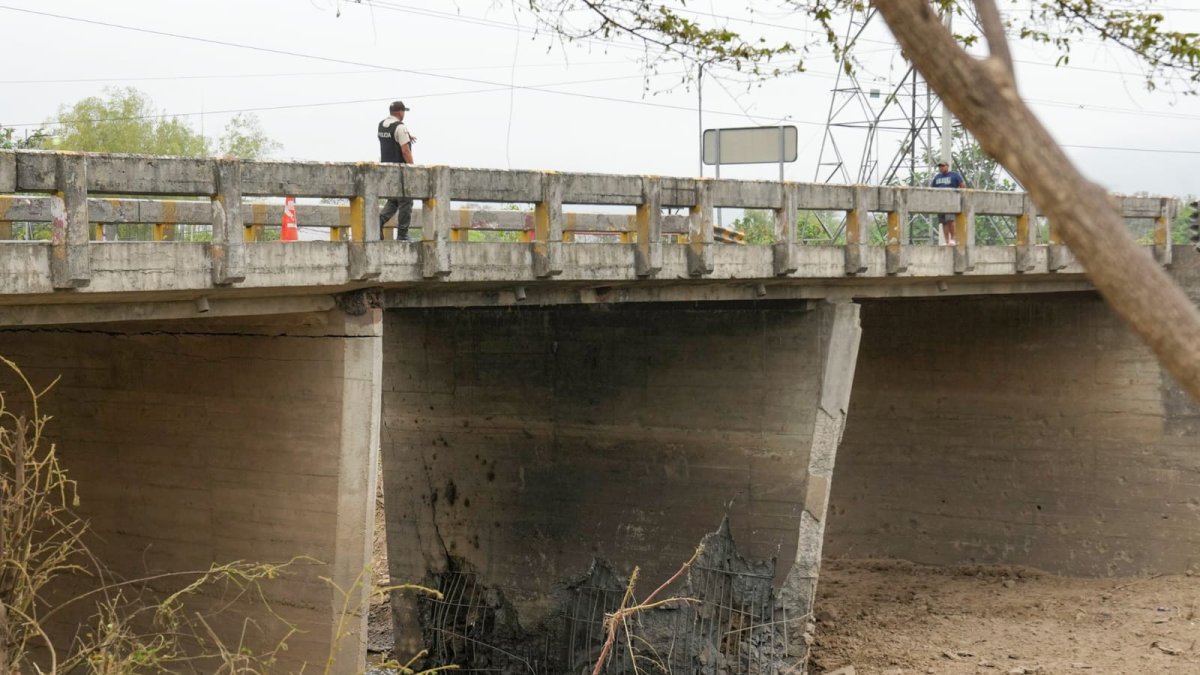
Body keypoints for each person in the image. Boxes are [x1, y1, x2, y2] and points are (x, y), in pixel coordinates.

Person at [378, 100, 417, 240]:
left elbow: (390, 140)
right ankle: (402, 234)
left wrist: (407, 136)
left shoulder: (381, 125)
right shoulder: (400, 127)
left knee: (394, 200)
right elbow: (405, 151)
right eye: (404, 111)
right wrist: (413, 169)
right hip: (400, 172)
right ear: (400, 112)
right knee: (406, 200)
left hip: (386, 171)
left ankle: (378, 223)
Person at [930, 161, 967, 245]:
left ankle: (953, 238)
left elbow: (962, 185)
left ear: (947, 166)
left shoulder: (954, 175)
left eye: (942, 166)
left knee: (950, 220)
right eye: (940, 166)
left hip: (951, 201)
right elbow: (932, 189)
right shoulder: (937, 177)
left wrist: (961, 197)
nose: (941, 168)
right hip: (940, 202)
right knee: (944, 222)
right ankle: (947, 241)